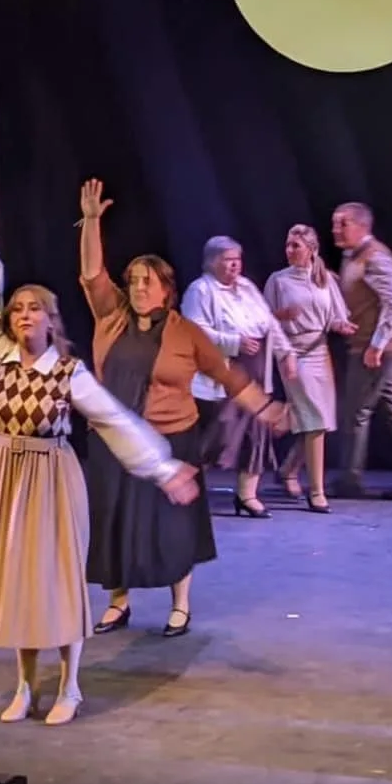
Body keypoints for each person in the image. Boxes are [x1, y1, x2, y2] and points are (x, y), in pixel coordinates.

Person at [0, 182, 198, 724]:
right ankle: (24, 685)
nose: (23, 315)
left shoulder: (68, 374)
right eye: (17, 308)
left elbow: (117, 422)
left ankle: (69, 685)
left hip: (49, 480)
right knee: (19, 584)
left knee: (55, 581)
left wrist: (163, 469)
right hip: (2, 477)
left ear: (52, 321)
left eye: (35, 309)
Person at [77, 182, 289, 636]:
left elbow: (229, 376)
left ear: (166, 290)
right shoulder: (111, 317)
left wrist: (264, 408)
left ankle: (180, 605)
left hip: (172, 438)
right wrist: (92, 220)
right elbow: (93, 273)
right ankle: (118, 603)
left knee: (173, 527)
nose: (136, 287)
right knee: (114, 521)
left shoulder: (187, 332)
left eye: (145, 282)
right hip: (115, 441)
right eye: (132, 280)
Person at [180, 235, 300, 517]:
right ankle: (183, 484)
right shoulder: (200, 291)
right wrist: (234, 341)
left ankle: (247, 495)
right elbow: (193, 332)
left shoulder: (247, 288)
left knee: (256, 434)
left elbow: (269, 323)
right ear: (212, 262)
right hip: (225, 370)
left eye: (237, 260)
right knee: (221, 431)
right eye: (227, 260)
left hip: (256, 366)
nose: (235, 266)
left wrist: (287, 353)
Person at [332, 200, 392, 500]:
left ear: (362, 226)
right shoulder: (353, 256)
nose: (336, 228)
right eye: (335, 223)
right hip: (376, 346)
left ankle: (350, 479)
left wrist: (376, 345)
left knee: (356, 412)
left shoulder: (375, 257)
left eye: (342, 223)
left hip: (380, 348)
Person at [265, 224, 355, 511]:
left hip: (319, 351)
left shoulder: (324, 279)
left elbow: (335, 316)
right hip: (291, 351)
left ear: (311, 249)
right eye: (288, 245)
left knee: (320, 421)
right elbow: (262, 320)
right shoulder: (278, 281)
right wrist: (282, 314)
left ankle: (289, 469)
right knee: (314, 418)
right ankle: (316, 491)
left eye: (296, 246)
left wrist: (342, 325)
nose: (290, 250)